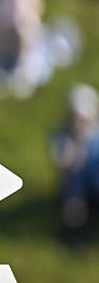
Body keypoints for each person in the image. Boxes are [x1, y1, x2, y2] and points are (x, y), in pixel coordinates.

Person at [51, 84, 99, 235]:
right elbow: (65, 163)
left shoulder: (96, 136)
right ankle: (75, 232)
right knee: (74, 202)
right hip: (77, 188)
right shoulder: (62, 136)